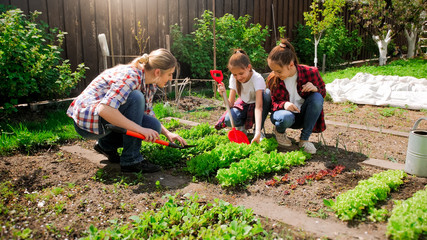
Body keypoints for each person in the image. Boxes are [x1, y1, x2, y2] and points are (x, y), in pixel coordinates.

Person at [67, 48, 187, 173]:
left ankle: (105, 145)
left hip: (103, 121)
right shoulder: (131, 76)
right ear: (157, 72)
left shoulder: (149, 83)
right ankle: (131, 160)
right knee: (136, 97)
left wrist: (168, 133)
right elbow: (104, 109)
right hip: (88, 123)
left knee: (153, 126)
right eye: (169, 74)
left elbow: (147, 113)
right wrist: (140, 130)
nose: (171, 78)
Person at [266, 39, 326, 154]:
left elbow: (322, 93)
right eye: (273, 70)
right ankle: (280, 132)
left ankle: (304, 140)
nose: (275, 74)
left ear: (291, 65)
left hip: (303, 116)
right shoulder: (273, 78)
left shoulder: (310, 72)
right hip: (285, 116)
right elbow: (272, 104)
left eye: (278, 71)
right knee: (284, 117)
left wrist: (316, 88)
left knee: (317, 97)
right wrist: (285, 104)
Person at [215, 49, 271, 144]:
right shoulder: (233, 78)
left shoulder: (257, 78)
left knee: (267, 94)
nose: (238, 77)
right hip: (244, 105)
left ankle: (258, 131)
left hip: (258, 104)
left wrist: (257, 131)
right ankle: (241, 129)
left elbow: (259, 107)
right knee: (229, 119)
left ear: (249, 67)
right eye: (235, 74)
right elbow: (230, 105)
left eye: (241, 73)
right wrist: (223, 94)